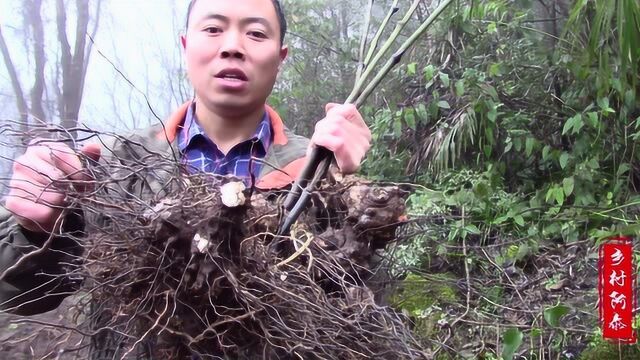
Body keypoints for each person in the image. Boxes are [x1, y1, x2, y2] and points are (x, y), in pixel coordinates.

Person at [0, 0, 370, 353]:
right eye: (212, 28)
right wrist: (37, 230)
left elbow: (351, 309)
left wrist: (345, 192)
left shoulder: (314, 168)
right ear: (185, 45)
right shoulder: (116, 164)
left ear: (280, 58)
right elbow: (18, 294)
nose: (232, 47)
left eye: (256, 34)